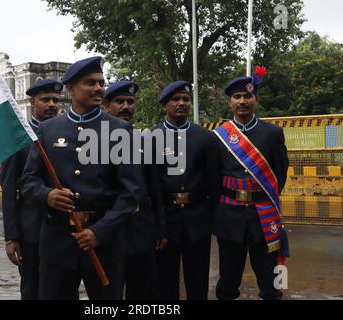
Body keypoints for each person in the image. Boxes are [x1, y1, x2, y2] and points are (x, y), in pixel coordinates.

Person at [20, 57, 141, 300]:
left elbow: (131, 193)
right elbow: (27, 181)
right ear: (71, 88)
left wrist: (100, 231)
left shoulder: (120, 131)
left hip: (104, 243)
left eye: (101, 83)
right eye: (90, 83)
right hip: (57, 242)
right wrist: (48, 195)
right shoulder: (47, 130)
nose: (98, 88)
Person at [212, 67, 289, 300]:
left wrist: (264, 198)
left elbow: (280, 173)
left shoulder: (273, 133)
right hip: (230, 216)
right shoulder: (218, 136)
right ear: (229, 102)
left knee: (270, 280)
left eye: (248, 96)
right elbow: (214, 177)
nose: (242, 101)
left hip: (263, 215)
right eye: (237, 97)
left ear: (256, 99)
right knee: (228, 280)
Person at [151, 81, 219, 300]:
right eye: (175, 99)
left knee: (198, 281)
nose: (181, 103)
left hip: (197, 219)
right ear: (164, 105)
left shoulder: (206, 138)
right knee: (165, 282)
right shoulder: (151, 138)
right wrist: (158, 224)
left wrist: (210, 219)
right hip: (165, 221)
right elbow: (152, 184)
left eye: (186, 99)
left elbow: (213, 182)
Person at [1, 78, 62, 300]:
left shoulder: (66, 133)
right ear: (32, 102)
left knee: (62, 289)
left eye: (55, 99)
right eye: (45, 99)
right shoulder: (18, 139)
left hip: (64, 229)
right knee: (33, 289)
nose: (52, 104)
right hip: (31, 232)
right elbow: (8, 190)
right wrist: (11, 237)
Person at [104, 80, 158, 299]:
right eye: (119, 102)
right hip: (108, 228)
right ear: (106, 106)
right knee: (110, 291)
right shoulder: (91, 140)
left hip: (140, 227)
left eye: (130, 102)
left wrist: (160, 226)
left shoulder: (146, 141)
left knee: (142, 289)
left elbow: (155, 187)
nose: (126, 107)